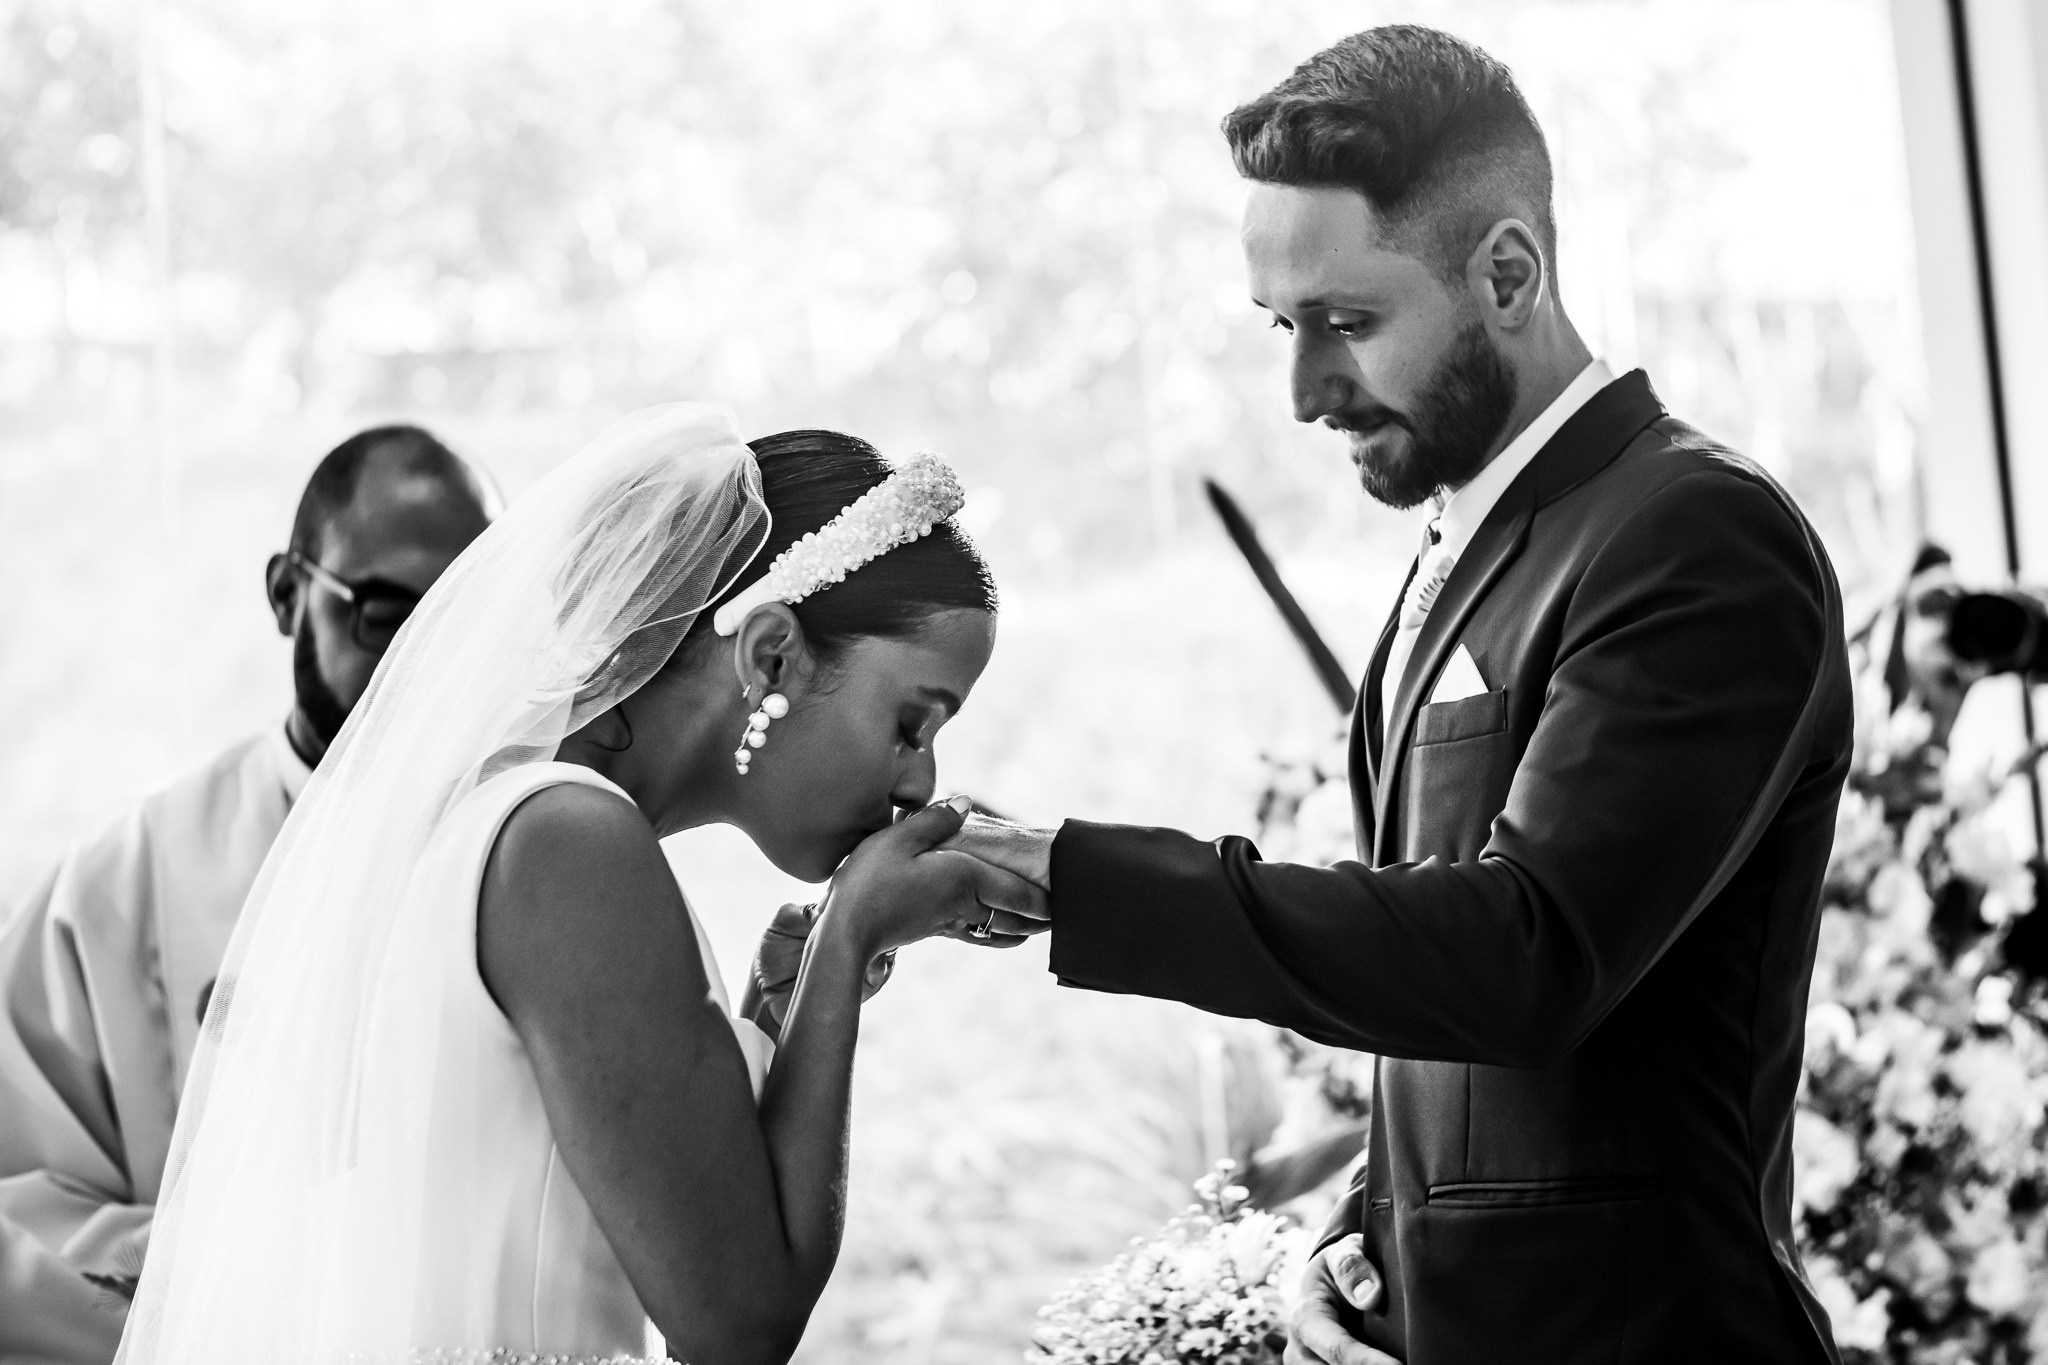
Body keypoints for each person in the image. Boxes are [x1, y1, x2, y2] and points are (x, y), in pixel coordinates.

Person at [953, 26, 1852, 1365]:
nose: (1304, 390)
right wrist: (1357, 1233)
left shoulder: (1695, 533)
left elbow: (1524, 958)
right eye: (1283, 326)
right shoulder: (1464, 544)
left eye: (1346, 324)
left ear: (1506, 271)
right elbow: (1434, 1004)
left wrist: (1070, 878)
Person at [112, 406, 1044, 1365]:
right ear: (770, 654)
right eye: (912, 723)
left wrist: (792, 1006)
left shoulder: (496, 816)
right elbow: (738, 1326)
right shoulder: (570, 845)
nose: (922, 783)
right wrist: (848, 939)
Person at [0, 425, 493, 1363]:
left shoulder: (534, 858)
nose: (429, 664)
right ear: (286, 593)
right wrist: (273, 1273)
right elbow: (19, 1203)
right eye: (387, 614)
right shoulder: (129, 880)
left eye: (466, 618)